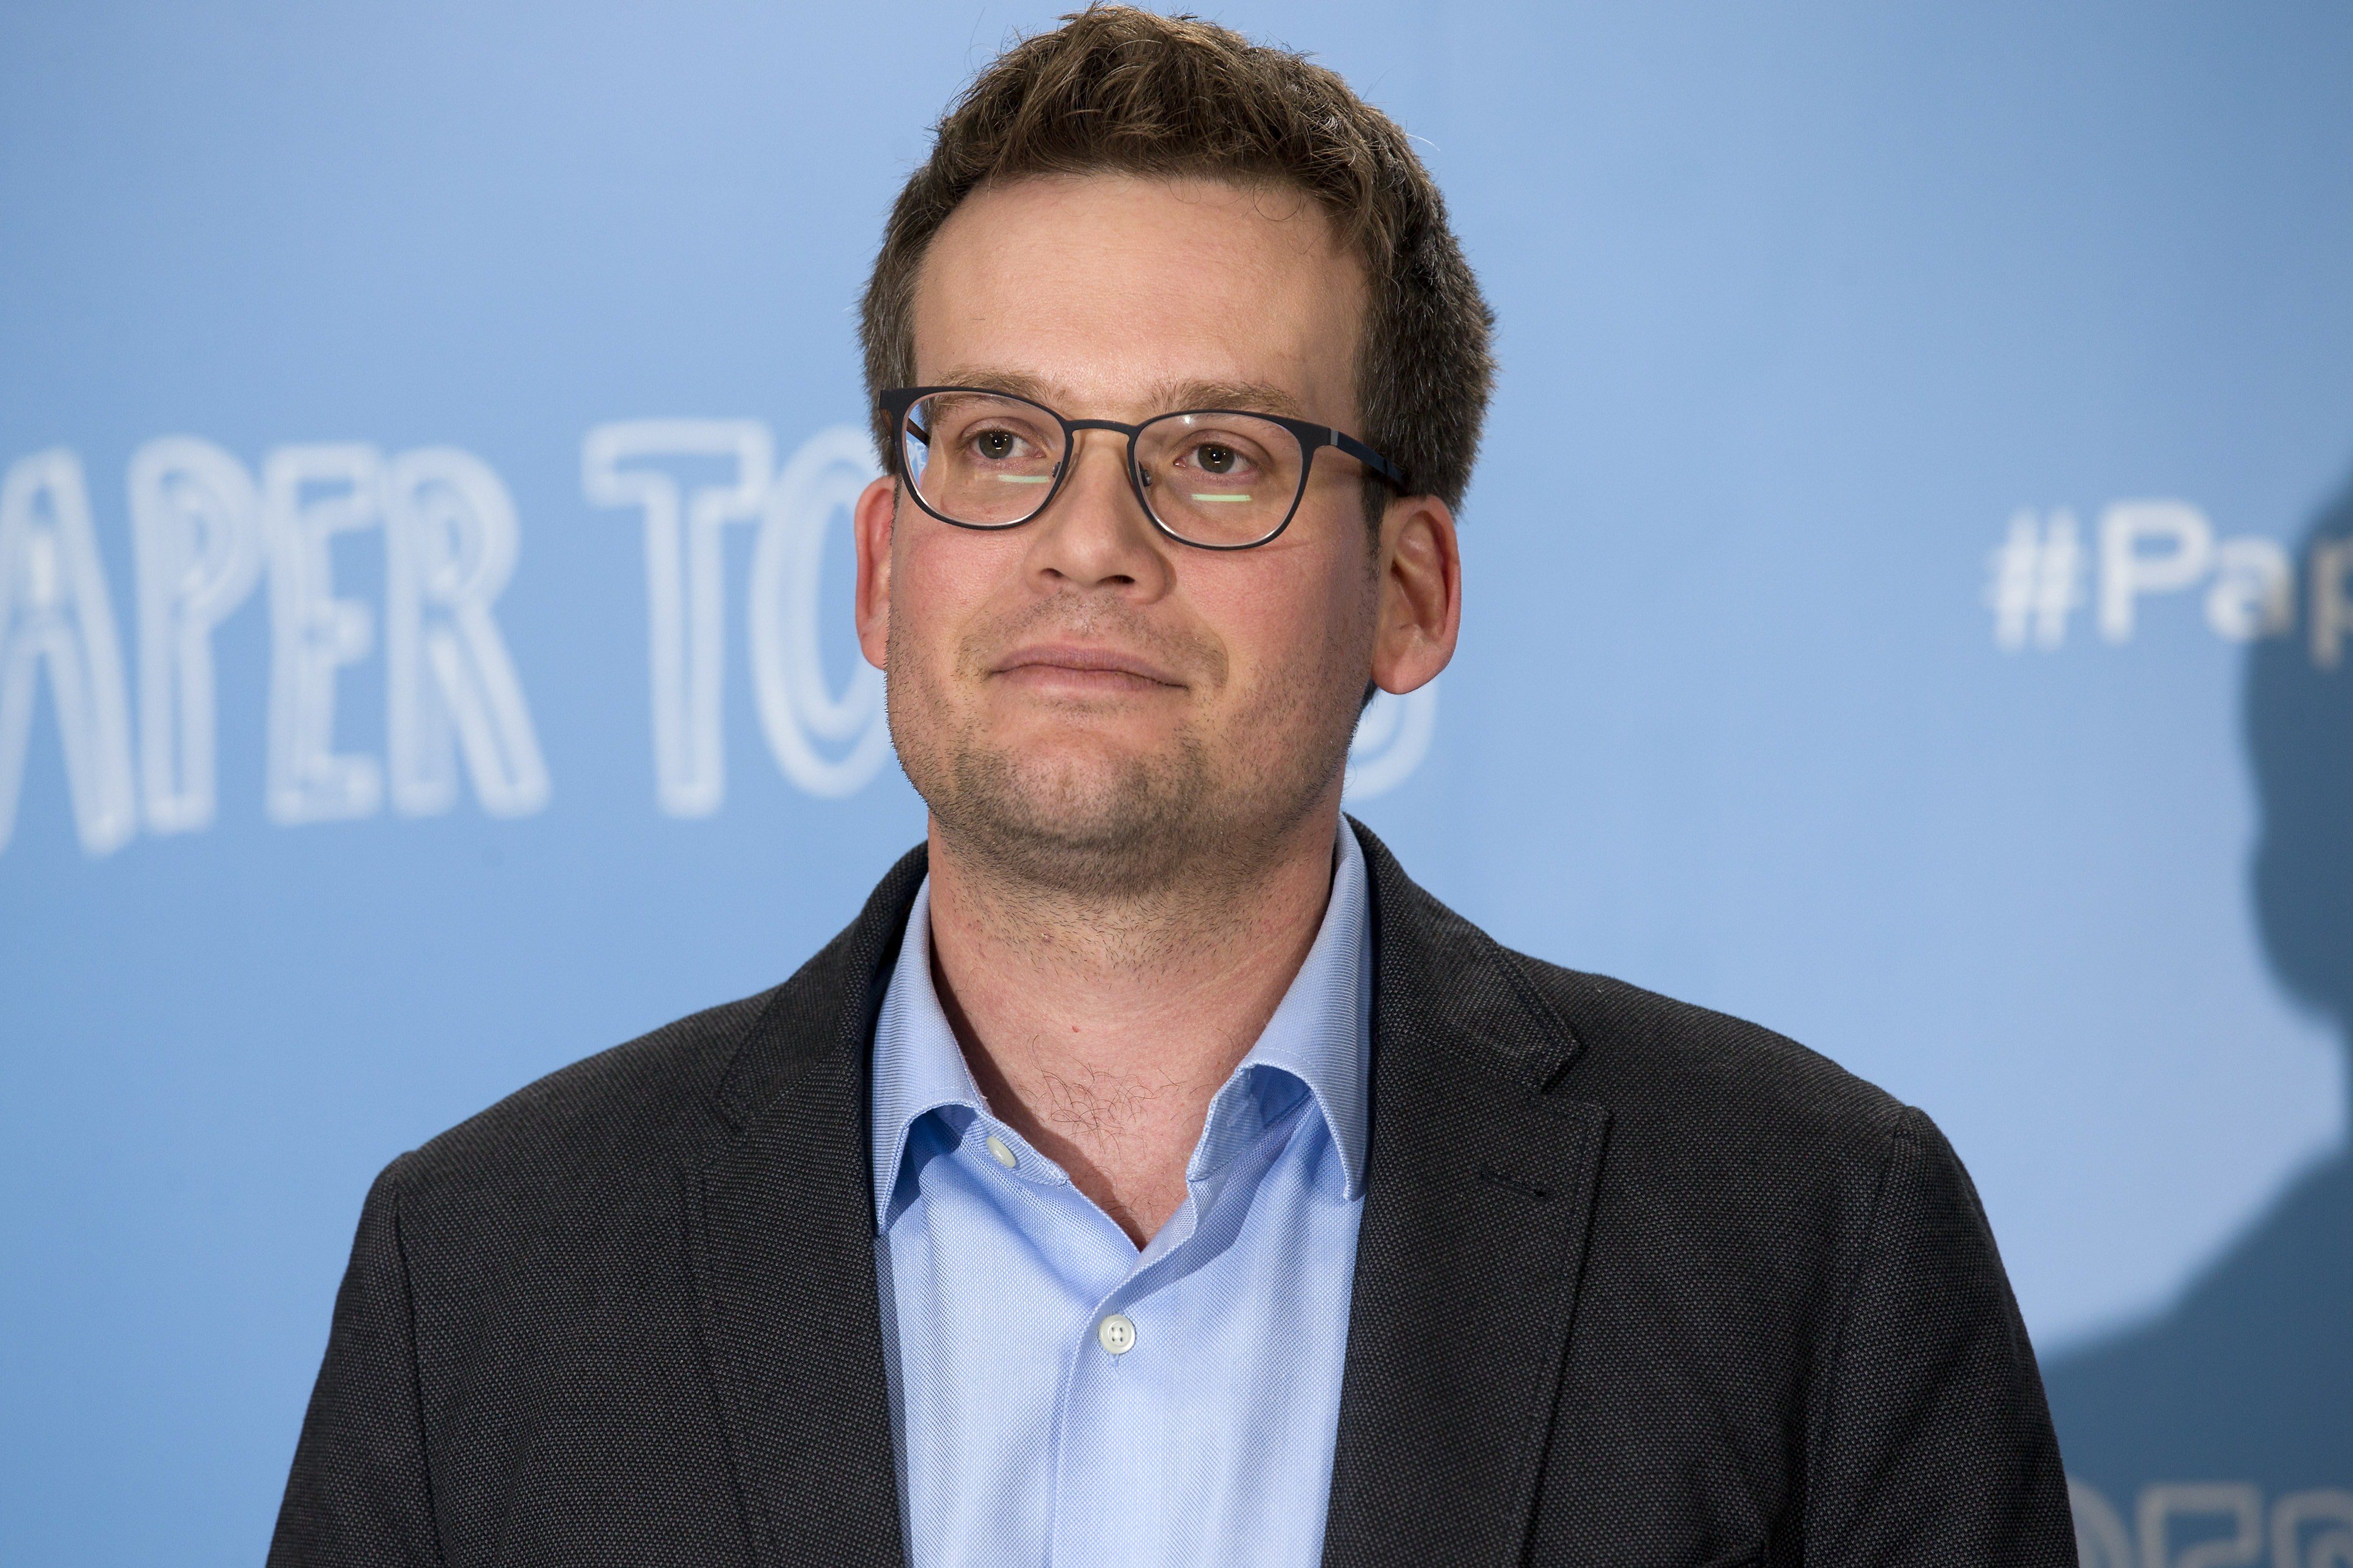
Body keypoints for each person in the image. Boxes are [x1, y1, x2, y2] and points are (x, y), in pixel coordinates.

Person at [269, 9, 2075, 1565]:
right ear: (884, 569)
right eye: (998, 440)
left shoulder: (1817, 1243)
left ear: (1414, 592)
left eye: (1215, 455)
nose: (1085, 540)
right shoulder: (483, 1275)